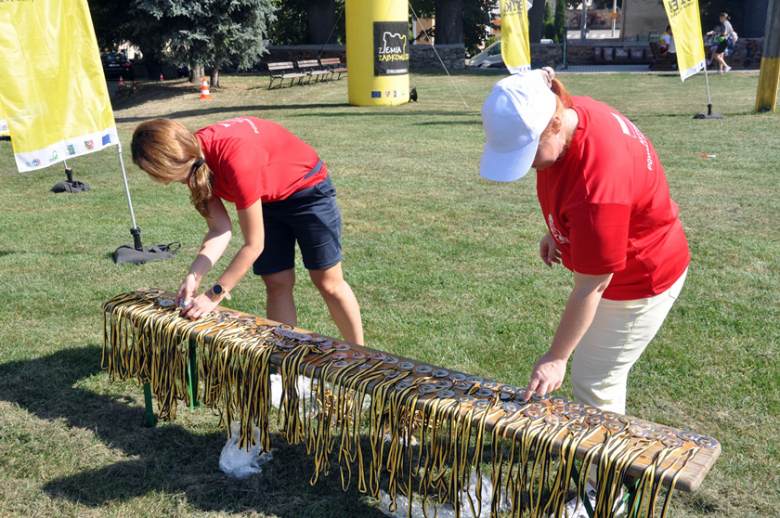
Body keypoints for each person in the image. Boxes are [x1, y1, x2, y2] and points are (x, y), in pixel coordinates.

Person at [479, 69, 690, 516]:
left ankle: (609, 488)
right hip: (619, 250)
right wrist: (558, 229)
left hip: (641, 278)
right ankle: (608, 465)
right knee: (598, 376)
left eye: (529, 150)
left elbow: (593, 284)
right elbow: (561, 175)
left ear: (553, 123)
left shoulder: (599, 189)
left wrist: (556, 356)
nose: (531, 163)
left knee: (594, 379)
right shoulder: (571, 109)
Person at [131, 117, 364, 345]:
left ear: (175, 160)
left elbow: (254, 244)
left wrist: (214, 294)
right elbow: (219, 229)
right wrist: (194, 275)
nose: (164, 183)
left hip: (307, 191)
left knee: (328, 283)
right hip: (265, 197)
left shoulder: (235, 160)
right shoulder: (193, 162)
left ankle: (362, 358)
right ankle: (285, 366)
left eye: (162, 175)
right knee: (276, 283)